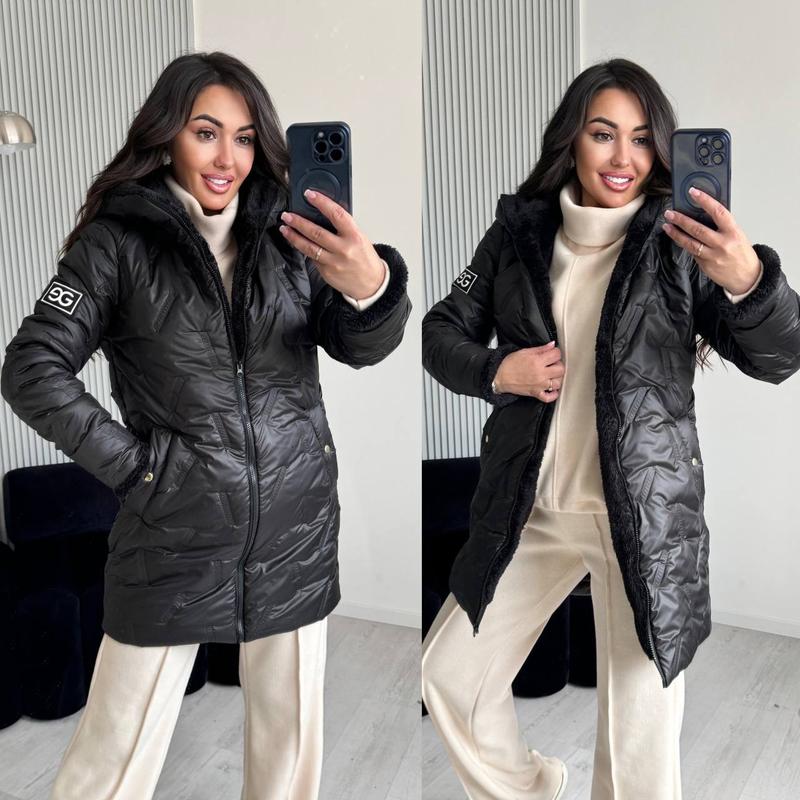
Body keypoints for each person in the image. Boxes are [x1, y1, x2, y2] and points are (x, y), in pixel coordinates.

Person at [0, 51, 411, 800]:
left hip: (294, 525)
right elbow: (31, 367)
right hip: (174, 533)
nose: (228, 159)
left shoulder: (291, 233)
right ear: (167, 135)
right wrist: (139, 469)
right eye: (206, 132)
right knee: (111, 761)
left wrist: (370, 286)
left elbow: (359, 347)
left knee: (289, 756)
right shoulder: (115, 242)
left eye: (245, 138)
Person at [419, 57, 800, 800]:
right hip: (531, 510)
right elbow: (441, 330)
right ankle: (534, 787)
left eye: (641, 138)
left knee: (637, 753)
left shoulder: (683, 242)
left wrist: (749, 281)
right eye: (603, 134)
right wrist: (499, 370)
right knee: (450, 676)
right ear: (572, 139)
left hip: (642, 520)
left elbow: (781, 357)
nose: (623, 157)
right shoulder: (515, 234)